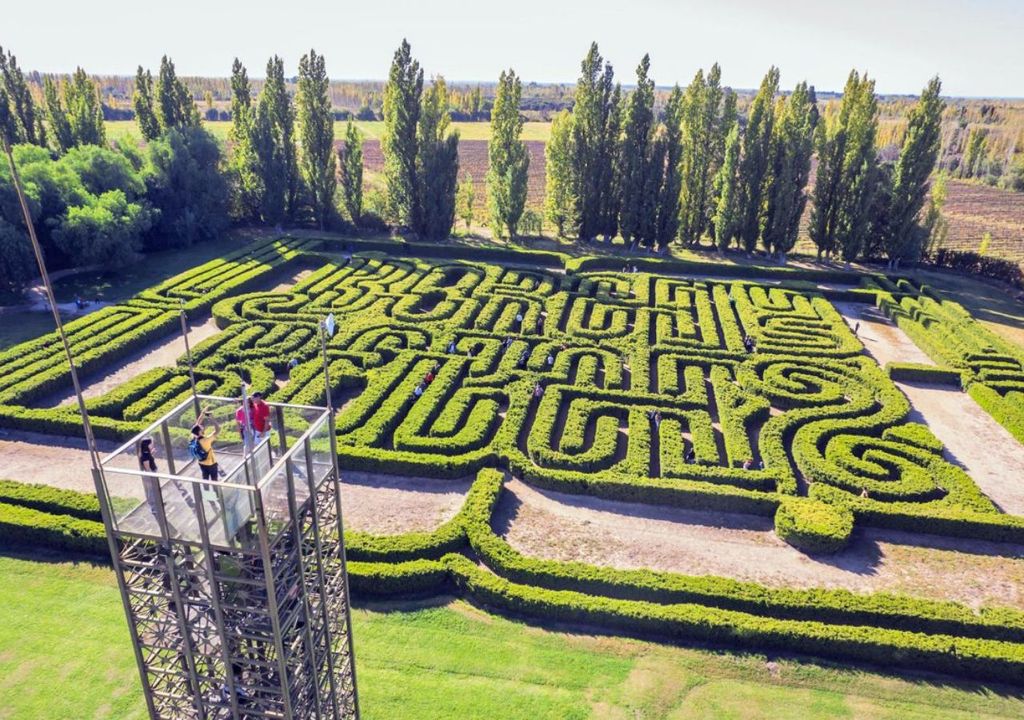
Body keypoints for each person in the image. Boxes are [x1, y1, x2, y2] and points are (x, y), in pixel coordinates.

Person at [191, 409, 223, 481]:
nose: (202, 427)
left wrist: (202, 414)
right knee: (214, 480)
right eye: (201, 428)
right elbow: (218, 429)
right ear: (199, 432)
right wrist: (212, 418)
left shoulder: (194, 438)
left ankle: (206, 491)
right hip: (211, 463)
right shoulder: (206, 440)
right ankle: (216, 491)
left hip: (201, 462)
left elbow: (196, 425)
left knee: (205, 479)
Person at [138, 437, 161, 516]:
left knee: (154, 490)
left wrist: (152, 453)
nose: (152, 444)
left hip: (152, 473)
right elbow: (148, 468)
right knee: (151, 491)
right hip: (150, 475)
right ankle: (154, 508)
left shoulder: (146, 453)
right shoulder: (145, 456)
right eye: (151, 443)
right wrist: (153, 477)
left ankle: (158, 504)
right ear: (147, 445)